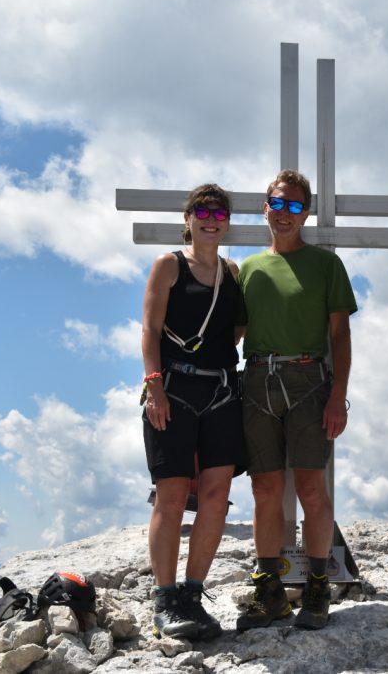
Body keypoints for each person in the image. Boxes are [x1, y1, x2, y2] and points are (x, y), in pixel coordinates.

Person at [236, 169, 357, 631]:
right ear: (265, 206)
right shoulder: (248, 269)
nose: (283, 213)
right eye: (276, 203)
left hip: (310, 381)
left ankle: (318, 588)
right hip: (258, 381)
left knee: (311, 487)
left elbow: (340, 335)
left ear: (305, 212)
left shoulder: (325, 265)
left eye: (293, 205)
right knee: (264, 489)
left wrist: (339, 396)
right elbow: (234, 334)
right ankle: (269, 592)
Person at [141, 183, 246, 640]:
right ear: (187, 219)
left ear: (227, 221)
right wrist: (154, 387)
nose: (211, 219)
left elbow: (237, 330)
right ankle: (165, 598)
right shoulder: (168, 265)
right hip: (175, 390)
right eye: (202, 211)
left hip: (222, 391)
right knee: (171, 494)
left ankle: (192, 592)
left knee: (216, 497)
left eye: (219, 213)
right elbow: (150, 328)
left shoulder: (232, 271)